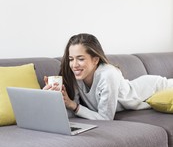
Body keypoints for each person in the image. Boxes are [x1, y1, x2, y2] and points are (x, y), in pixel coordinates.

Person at [43, 33, 173, 120]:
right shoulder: (76, 76)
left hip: (151, 87)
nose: (74, 65)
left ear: (95, 60)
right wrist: (51, 98)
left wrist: (73, 106)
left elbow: (105, 118)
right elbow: (73, 112)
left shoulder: (108, 75)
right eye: (71, 59)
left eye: (80, 59)